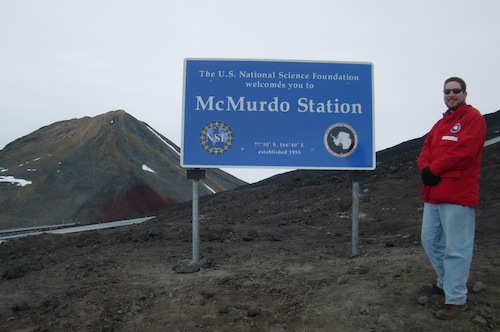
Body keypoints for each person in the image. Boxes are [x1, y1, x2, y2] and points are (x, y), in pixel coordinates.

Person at [417, 77, 486, 320]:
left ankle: (456, 297)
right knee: (429, 240)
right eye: (447, 91)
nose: (451, 94)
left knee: (456, 248)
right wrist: (425, 168)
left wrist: (434, 169)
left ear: (464, 94)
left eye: (456, 91)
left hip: (458, 194)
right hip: (433, 194)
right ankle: (446, 281)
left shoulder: (473, 119)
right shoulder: (439, 124)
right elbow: (425, 150)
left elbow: (465, 151)